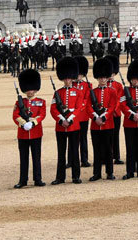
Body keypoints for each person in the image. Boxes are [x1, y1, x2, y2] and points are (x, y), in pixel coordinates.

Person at [51, 56, 82, 184]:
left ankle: (76, 176)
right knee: (61, 152)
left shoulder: (77, 91)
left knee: (74, 151)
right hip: (60, 126)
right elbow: (53, 109)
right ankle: (60, 177)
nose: (68, 80)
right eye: (65, 78)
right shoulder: (57, 92)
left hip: (73, 125)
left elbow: (79, 107)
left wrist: (69, 118)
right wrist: (61, 119)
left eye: (69, 78)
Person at [13, 68, 46, 188]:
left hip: (36, 132)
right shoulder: (19, 103)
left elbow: (42, 114)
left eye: (32, 89)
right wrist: (23, 123)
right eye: (28, 89)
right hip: (23, 133)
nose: (30, 91)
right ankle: (23, 180)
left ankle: (38, 179)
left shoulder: (41, 101)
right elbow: (15, 115)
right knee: (24, 158)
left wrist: (33, 123)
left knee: (36, 157)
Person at [89, 58, 118, 181]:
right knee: (97, 149)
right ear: (97, 78)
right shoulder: (93, 92)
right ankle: (97, 173)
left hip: (108, 124)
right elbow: (88, 107)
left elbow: (112, 106)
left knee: (108, 149)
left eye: (104, 78)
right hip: (95, 125)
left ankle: (109, 172)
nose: (102, 80)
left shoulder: (112, 91)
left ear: (107, 78)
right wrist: (95, 117)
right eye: (100, 78)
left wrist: (104, 116)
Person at [73, 56, 92, 168]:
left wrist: (80, 106)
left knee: (83, 138)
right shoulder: (71, 86)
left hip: (83, 116)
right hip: (73, 117)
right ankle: (71, 160)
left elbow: (87, 99)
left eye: (80, 74)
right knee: (72, 140)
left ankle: (84, 159)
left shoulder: (87, 86)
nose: (79, 76)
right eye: (77, 74)